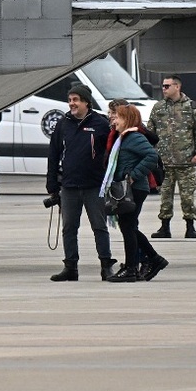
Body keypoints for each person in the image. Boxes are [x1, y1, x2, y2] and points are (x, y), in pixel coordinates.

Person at [46, 84, 116, 282]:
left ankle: (106, 265)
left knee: (99, 227)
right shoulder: (63, 124)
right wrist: (52, 184)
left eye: (76, 100)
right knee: (69, 228)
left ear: (86, 102)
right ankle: (70, 267)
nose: (72, 104)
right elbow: (54, 154)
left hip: (94, 185)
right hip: (69, 186)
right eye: (70, 100)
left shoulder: (101, 123)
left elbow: (111, 151)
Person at [103, 104, 167, 283]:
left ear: (128, 119)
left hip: (135, 188)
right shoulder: (122, 138)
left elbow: (152, 157)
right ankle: (154, 259)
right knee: (128, 227)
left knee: (128, 227)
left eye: (118, 117)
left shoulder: (134, 137)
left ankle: (132, 268)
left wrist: (133, 176)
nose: (114, 120)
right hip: (128, 188)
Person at [147, 75, 196, 240]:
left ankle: (190, 226)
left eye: (167, 86)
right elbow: (150, 131)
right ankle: (164, 227)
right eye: (163, 86)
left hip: (186, 161)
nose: (164, 89)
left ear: (177, 87)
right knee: (165, 196)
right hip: (164, 162)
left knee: (188, 197)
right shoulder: (158, 108)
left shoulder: (191, 107)